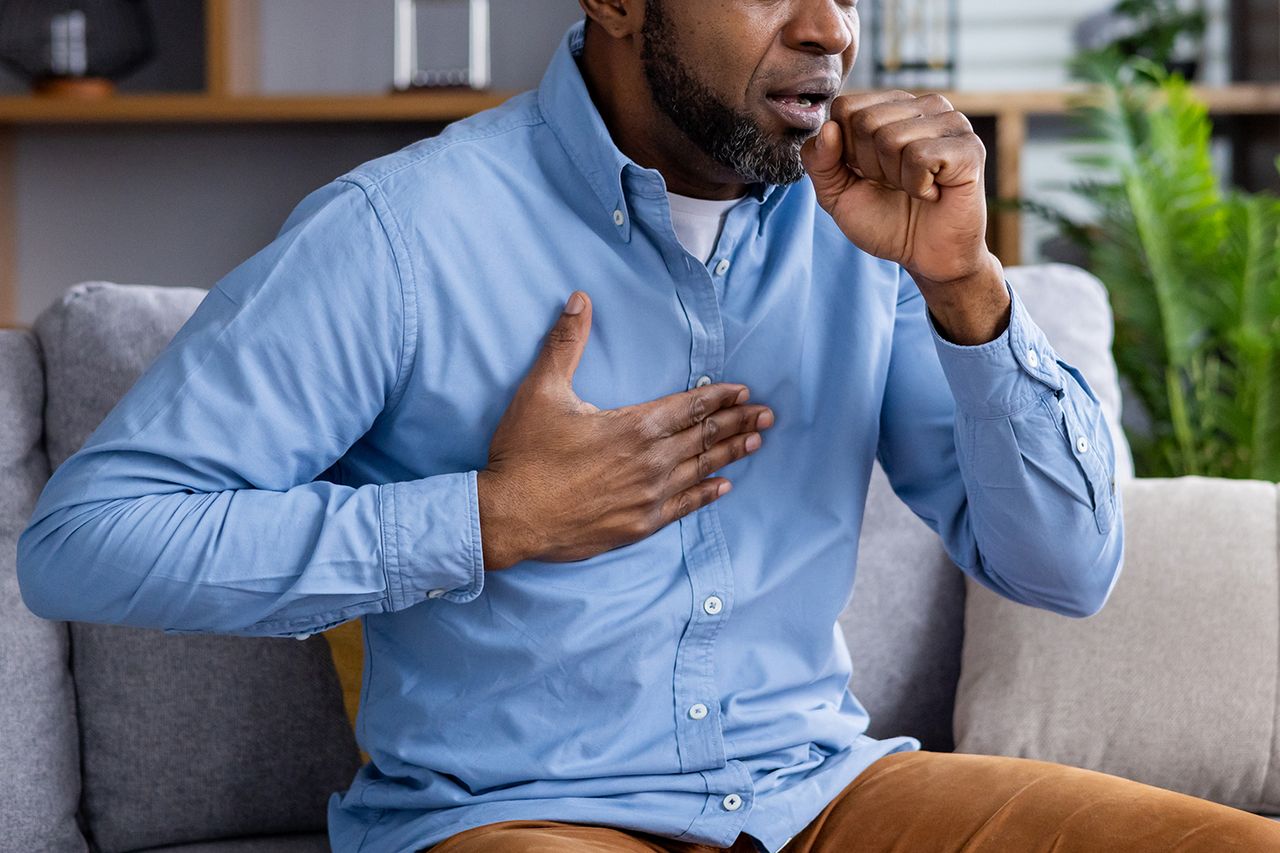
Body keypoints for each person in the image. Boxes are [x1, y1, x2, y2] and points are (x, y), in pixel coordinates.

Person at [16, 1, 1280, 850]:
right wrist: (487, 519)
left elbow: (1066, 569)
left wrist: (964, 286)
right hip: (515, 816)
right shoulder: (397, 235)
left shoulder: (871, 233)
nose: (829, 28)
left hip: (817, 793)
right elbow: (88, 540)